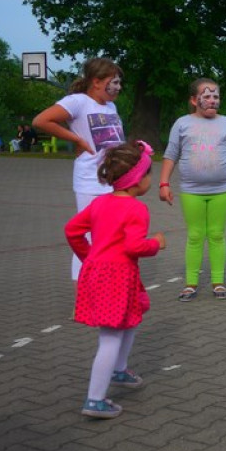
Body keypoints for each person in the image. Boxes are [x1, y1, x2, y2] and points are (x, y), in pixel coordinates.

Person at [64, 141, 165, 418]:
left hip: (101, 273)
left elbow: (72, 230)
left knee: (133, 315)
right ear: (135, 181)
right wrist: (155, 243)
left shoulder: (99, 203)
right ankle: (95, 399)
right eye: (147, 174)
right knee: (109, 337)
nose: (150, 179)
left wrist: (90, 257)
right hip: (116, 277)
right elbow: (134, 247)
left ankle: (120, 370)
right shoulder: (136, 209)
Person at [32, 57, 126, 286]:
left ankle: (105, 284)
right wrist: (77, 139)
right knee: (89, 236)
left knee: (112, 235)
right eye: (113, 82)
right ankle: (83, 293)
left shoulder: (111, 106)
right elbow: (41, 120)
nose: (118, 87)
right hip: (90, 182)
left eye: (119, 82)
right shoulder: (77, 102)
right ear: (96, 81)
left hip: (113, 180)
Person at [159, 78, 226, 301]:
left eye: (216, 96)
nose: (212, 100)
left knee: (217, 234)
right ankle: (191, 284)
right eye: (207, 96)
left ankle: (218, 282)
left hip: (222, 189)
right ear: (194, 100)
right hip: (191, 190)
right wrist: (164, 183)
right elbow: (171, 154)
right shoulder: (182, 123)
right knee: (195, 235)